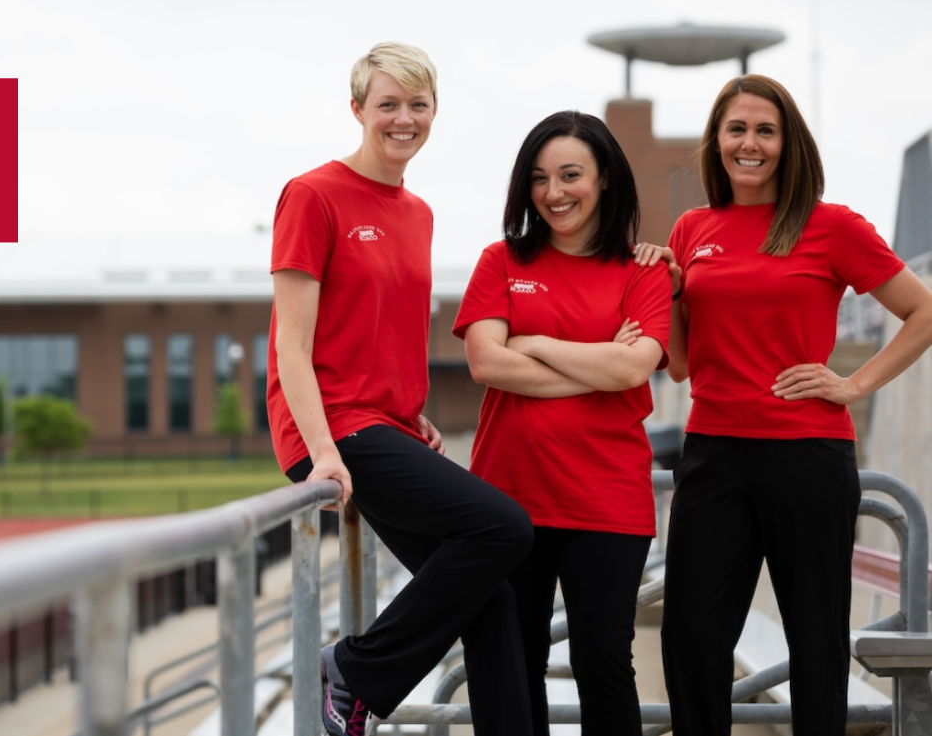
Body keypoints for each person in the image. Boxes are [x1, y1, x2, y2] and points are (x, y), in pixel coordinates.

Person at [634, 74, 932, 735]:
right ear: (717, 141)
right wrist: (674, 292)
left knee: (818, 645)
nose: (750, 143)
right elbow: (680, 362)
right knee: (691, 639)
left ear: (787, 142)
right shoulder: (692, 227)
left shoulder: (831, 226)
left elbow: (922, 311)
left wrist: (854, 385)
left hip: (808, 456)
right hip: (714, 458)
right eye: (737, 129)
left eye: (765, 130)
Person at [265, 42, 535, 736]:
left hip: (384, 427)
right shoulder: (312, 194)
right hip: (330, 431)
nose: (403, 118)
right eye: (388, 104)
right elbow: (292, 344)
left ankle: (365, 676)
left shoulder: (418, 212)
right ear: (358, 109)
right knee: (504, 525)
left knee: (492, 598)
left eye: (418, 104)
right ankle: (355, 668)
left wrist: (406, 410)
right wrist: (324, 450)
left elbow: (383, 323)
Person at [453, 110, 671, 735]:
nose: (554, 193)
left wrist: (534, 340)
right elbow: (485, 363)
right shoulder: (501, 261)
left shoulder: (645, 270)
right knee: (512, 665)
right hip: (509, 498)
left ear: (604, 178)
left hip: (607, 500)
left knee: (602, 663)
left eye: (571, 174)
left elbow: (636, 370)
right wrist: (601, 363)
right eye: (540, 178)